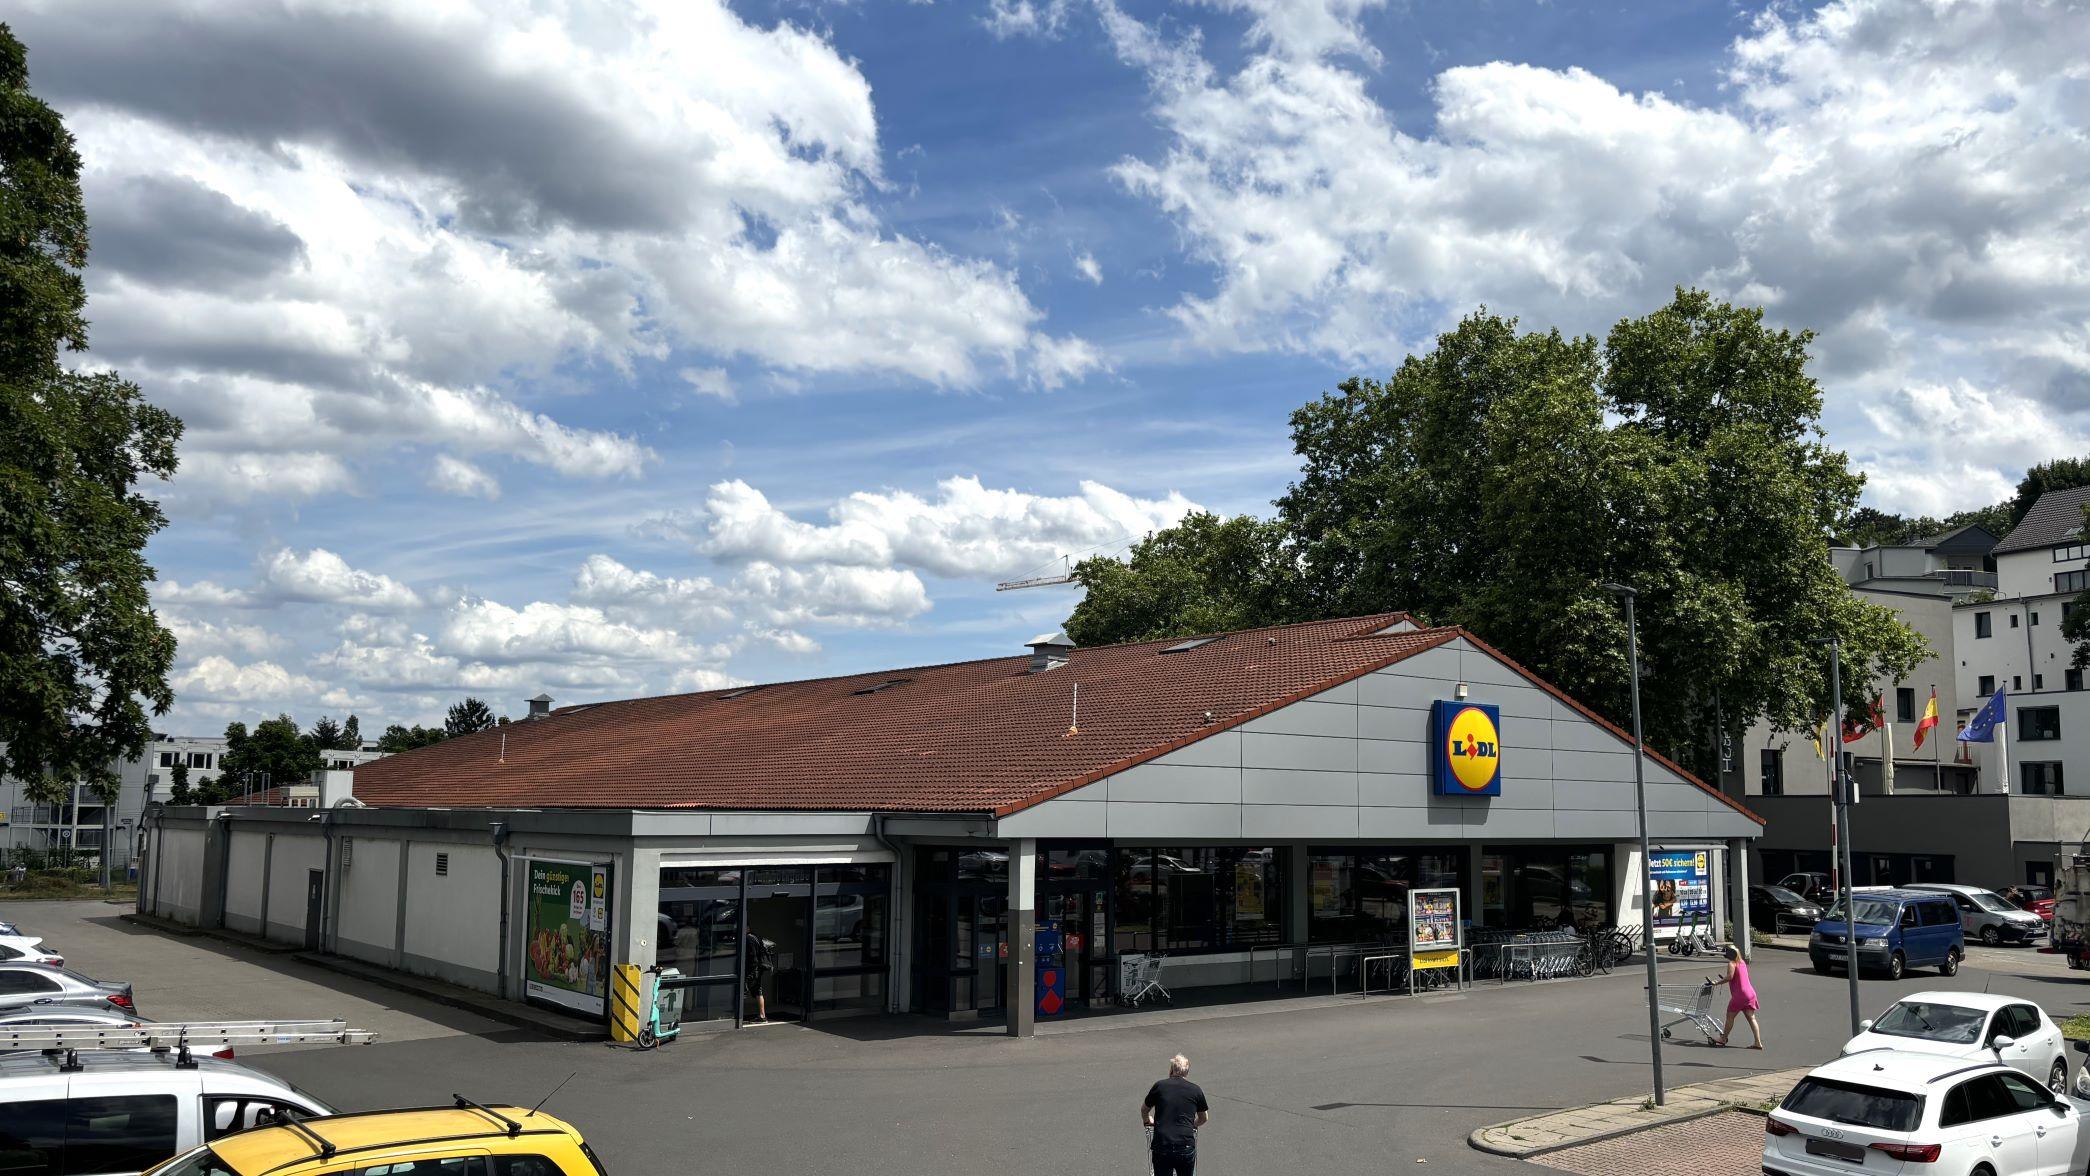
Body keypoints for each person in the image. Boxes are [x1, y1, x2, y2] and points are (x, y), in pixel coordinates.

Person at [1141, 1054, 1209, 1176]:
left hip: (1162, 1145)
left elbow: (1144, 1109)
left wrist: (1147, 1120)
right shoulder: (1196, 1090)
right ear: (1187, 1072)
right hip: (1185, 1146)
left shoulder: (1159, 1086)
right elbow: (1204, 1118)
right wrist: (1192, 1124)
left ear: (1171, 1070)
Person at [1712, 944, 1762, 1049]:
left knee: (1730, 1017)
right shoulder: (1742, 962)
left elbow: (1730, 977)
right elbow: (1740, 977)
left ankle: (1723, 1038)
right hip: (1750, 993)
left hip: (1740, 995)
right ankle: (1758, 1042)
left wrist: (1717, 982)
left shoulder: (1731, 963)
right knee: (1751, 1018)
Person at [743, 930, 773, 1022]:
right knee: (758, 992)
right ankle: (762, 1016)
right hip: (758, 969)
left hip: (752, 970)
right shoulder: (755, 937)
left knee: (742, 991)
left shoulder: (748, 938)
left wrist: (748, 970)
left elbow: (752, 956)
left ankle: (736, 1016)